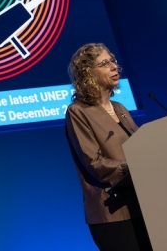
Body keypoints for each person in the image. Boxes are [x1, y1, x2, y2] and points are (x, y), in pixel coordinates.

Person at [65, 43, 153, 251]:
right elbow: (93, 163)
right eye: (104, 63)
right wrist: (133, 166)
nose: (114, 66)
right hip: (111, 213)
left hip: (141, 204)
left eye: (113, 61)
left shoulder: (119, 108)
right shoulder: (78, 111)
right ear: (88, 73)